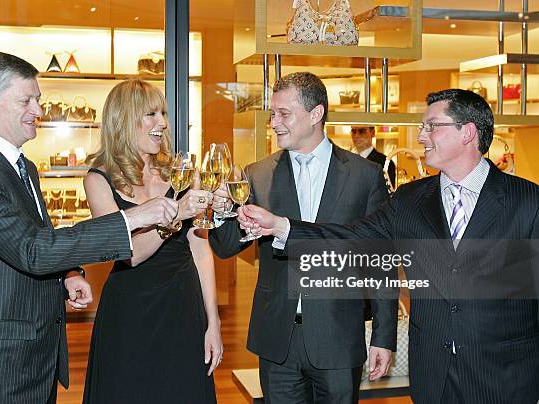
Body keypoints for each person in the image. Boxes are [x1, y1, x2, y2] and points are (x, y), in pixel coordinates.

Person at [239, 88, 539, 404]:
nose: (421, 136)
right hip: (432, 376)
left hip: (505, 377)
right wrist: (282, 226)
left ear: (468, 132)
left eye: (431, 126)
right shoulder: (410, 201)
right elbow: (351, 238)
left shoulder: (527, 202)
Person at [0, 52, 178, 404]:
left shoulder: (24, 167)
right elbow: (31, 250)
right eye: (26, 100)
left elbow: (32, 236)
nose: (38, 110)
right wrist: (135, 217)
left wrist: (68, 274)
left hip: (31, 359)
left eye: (39, 100)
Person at [209, 72, 398, 404]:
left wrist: (384, 336)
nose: (274, 122)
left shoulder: (365, 176)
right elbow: (225, 247)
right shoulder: (257, 174)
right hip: (278, 338)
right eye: (272, 113)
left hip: (338, 336)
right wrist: (222, 212)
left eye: (284, 113)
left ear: (316, 114)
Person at [82, 79, 222, 404]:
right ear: (124, 120)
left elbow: (201, 250)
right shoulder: (98, 180)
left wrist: (212, 321)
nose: (162, 123)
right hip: (129, 310)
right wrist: (175, 216)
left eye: (163, 113)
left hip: (182, 305)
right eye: (150, 115)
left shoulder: (182, 174)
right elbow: (129, 254)